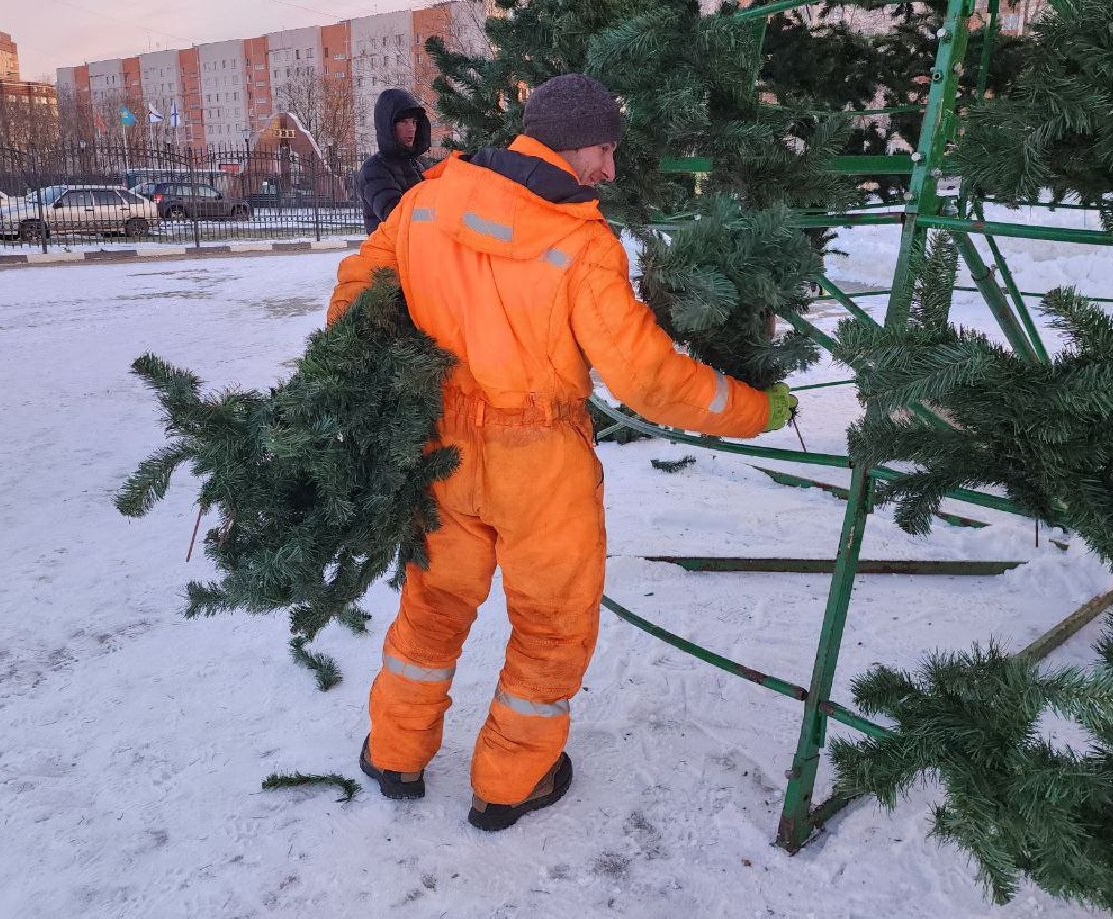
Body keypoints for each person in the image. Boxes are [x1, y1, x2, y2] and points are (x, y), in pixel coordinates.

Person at [325, 74, 798, 831]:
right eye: (604, 150)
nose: (610, 170)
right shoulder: (580, 244)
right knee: (550, 626)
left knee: (433, 606)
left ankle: (395, 752)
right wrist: (753, 408)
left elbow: (357, 293)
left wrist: (367, 382)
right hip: (539, 462)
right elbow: (647, 379)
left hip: (441, 449)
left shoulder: (427, 200)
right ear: (569, 142)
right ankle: (512, 781)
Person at [359, 87, 430, 234]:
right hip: (389, 254)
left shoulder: (419, 164)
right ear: (388, 126)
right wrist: (437, 215)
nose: (411, 129)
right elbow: (396, 216)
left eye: (414, 122)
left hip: (417, 251)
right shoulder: (374, 169)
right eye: (404, 122)